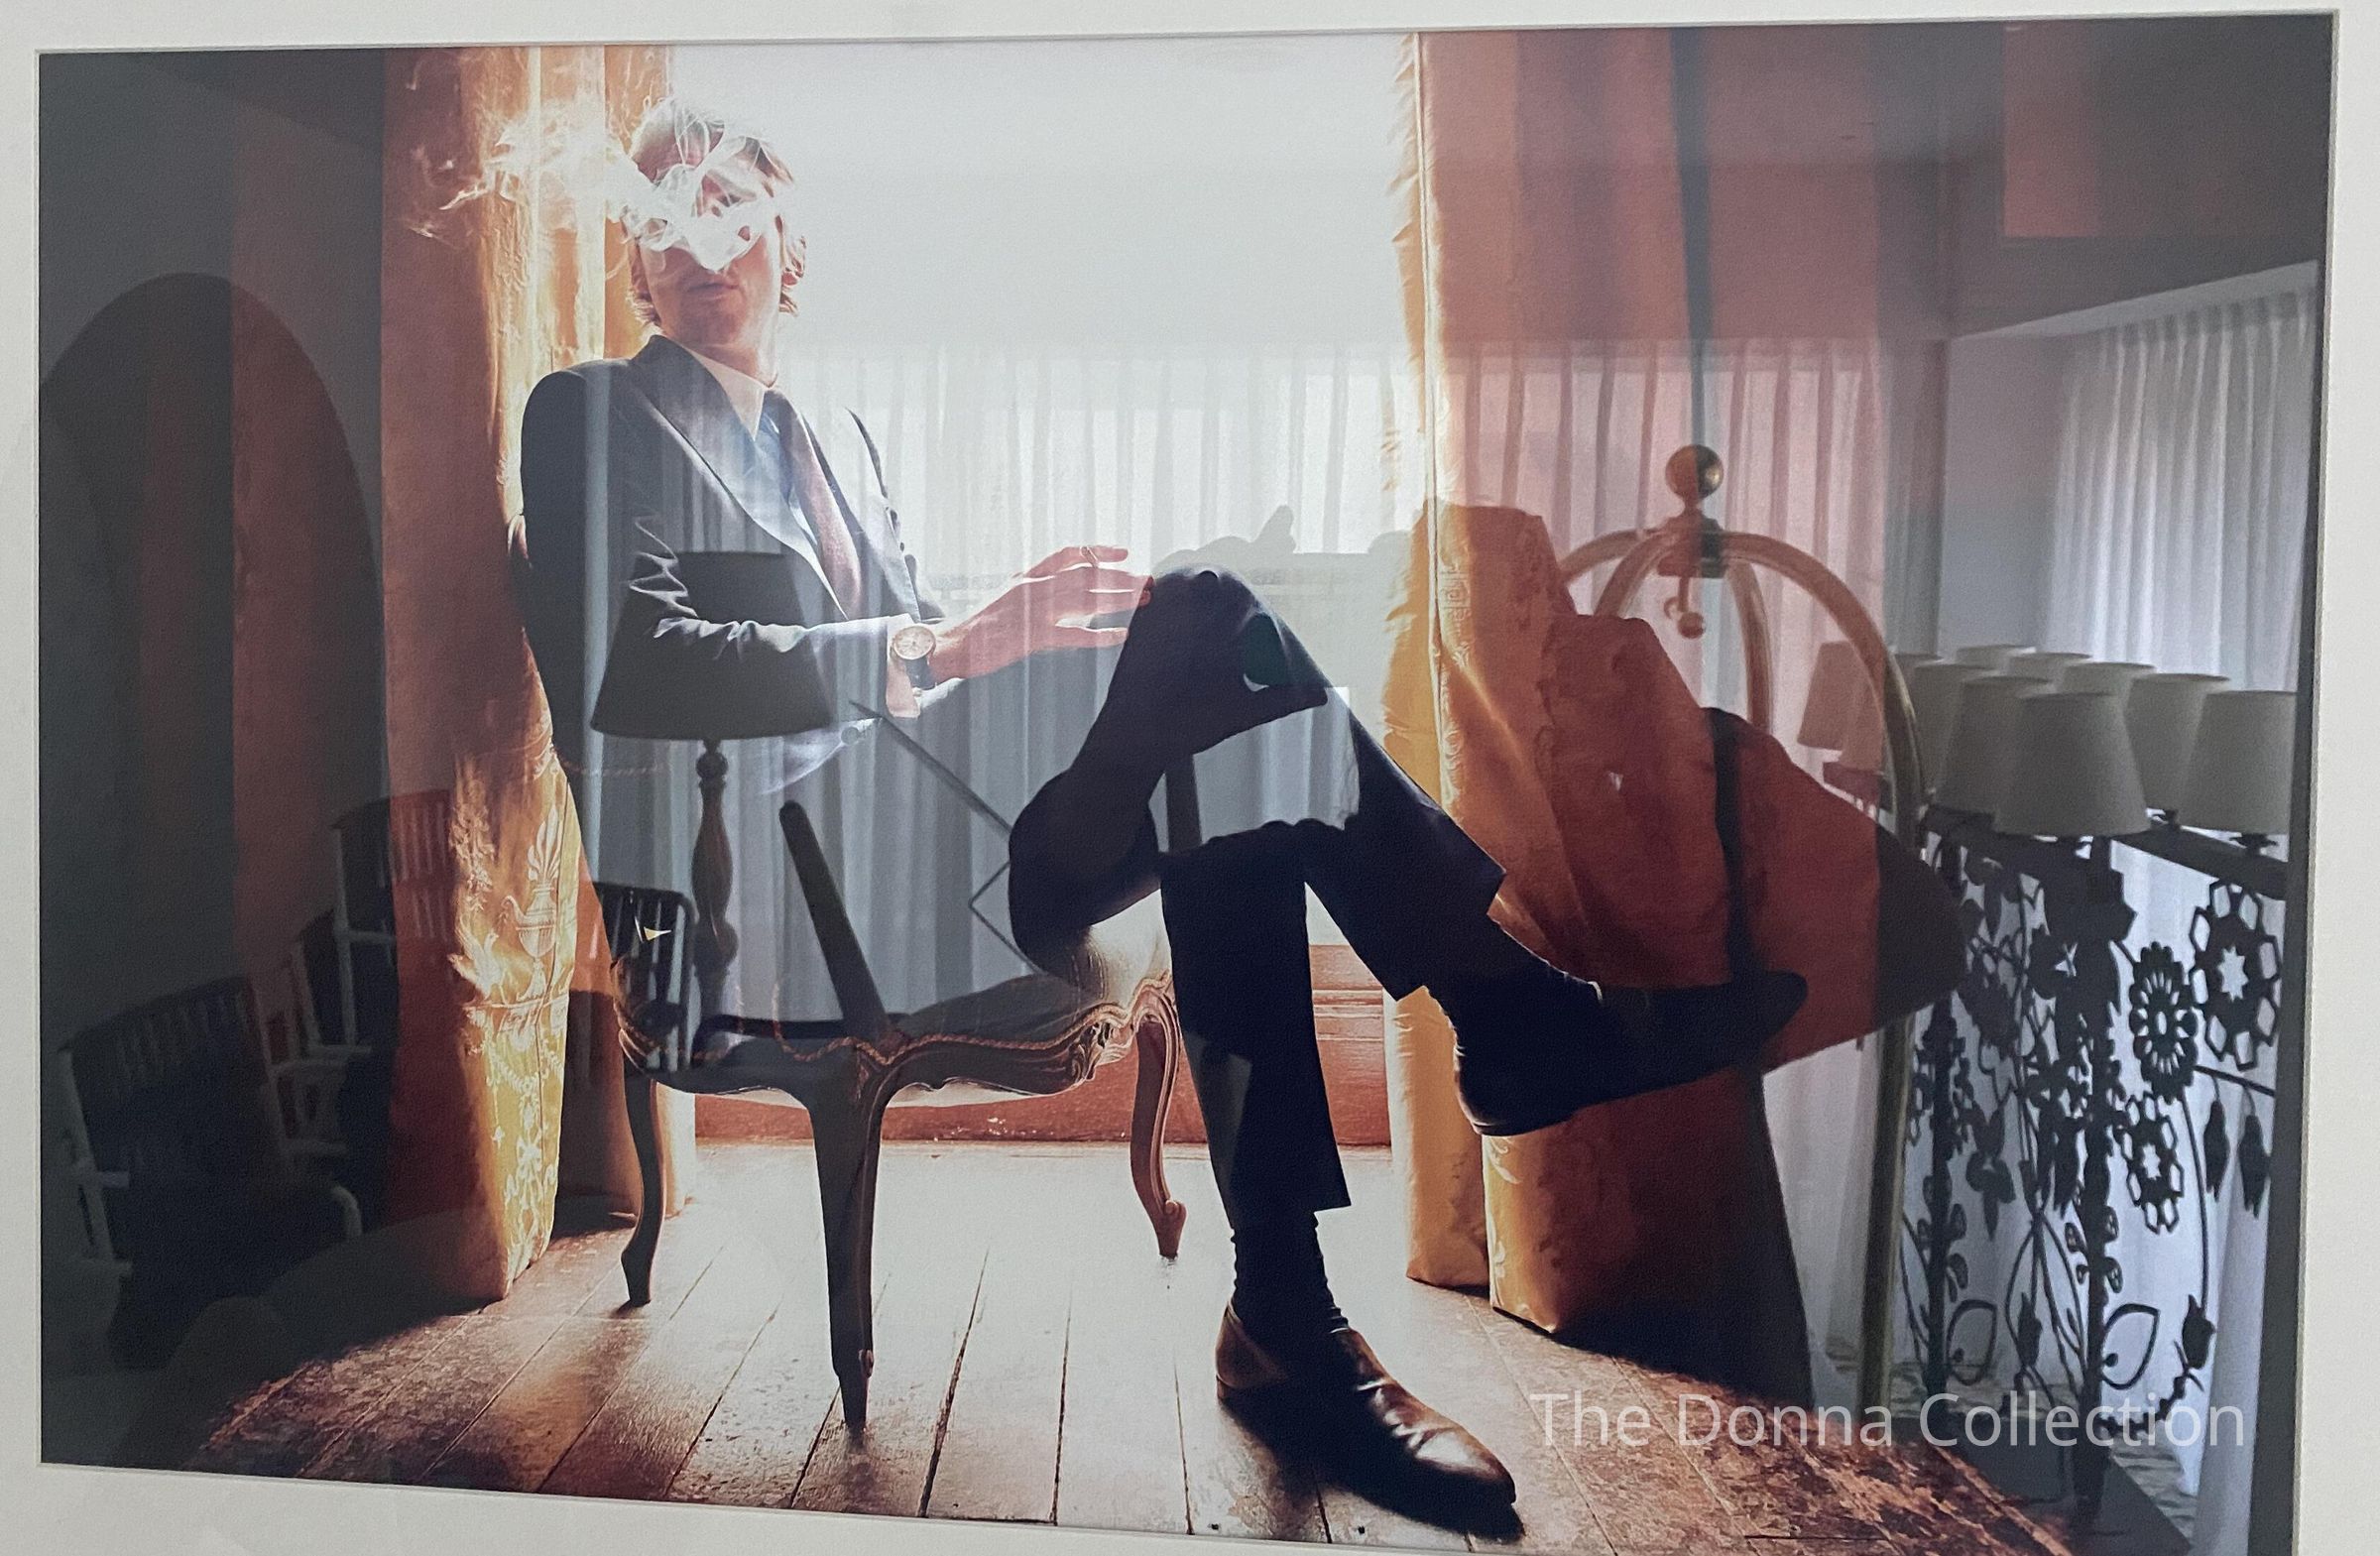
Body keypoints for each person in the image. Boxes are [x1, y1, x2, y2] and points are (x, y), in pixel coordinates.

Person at [515, 97, 1805, 1527]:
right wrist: (950, 643)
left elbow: (924, 676)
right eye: (667, 213)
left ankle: (1294, 1304)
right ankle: (1484, 1053)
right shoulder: (592, 412)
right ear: (636, 263)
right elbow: (639, 661)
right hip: (781, 892)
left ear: (790, 251)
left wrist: (1046, 650)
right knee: (1211, 630)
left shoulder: (840, 442)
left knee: (1226, 748)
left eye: (732, 207)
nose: (700, 241)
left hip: (929, 845)